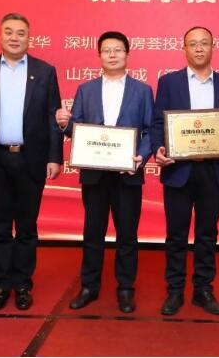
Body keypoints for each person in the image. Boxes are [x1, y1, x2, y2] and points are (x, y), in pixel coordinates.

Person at [0, 13, 63, 311]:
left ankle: (23, 285)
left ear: (29, 38)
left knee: (27, 227)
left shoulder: (45, 71)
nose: (14, 38)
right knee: (0, 226)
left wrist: (55, 157)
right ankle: (1, 285)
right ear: (0, 36)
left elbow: (53, 115)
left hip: (31, 158)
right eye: (9, 32)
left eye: (21, 33)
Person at [55, 31, 153, 314]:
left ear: (127, 54)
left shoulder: (142, 90)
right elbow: (77, 129)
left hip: (128, 173)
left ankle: (126, 288)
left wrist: (142, 156)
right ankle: (89, 286)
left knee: (127, 234)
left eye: (118, 50)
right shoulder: (86, 90)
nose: (112, 54)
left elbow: (150, 130)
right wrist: (64, 123)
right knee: (93, 232)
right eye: (107, 50)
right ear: (99, 55)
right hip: (94, 173)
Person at [151, 26, 219, 316]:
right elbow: (157, 123)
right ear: (184, 49)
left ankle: (203, 289)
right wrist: (159, 149)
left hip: (212, 171)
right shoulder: (168, 82)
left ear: (213, 47)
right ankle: (175, 290)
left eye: (204, 43)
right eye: (193, 44)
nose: (199, 48)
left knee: (207, 234)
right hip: (178, 170)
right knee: (176, 234)